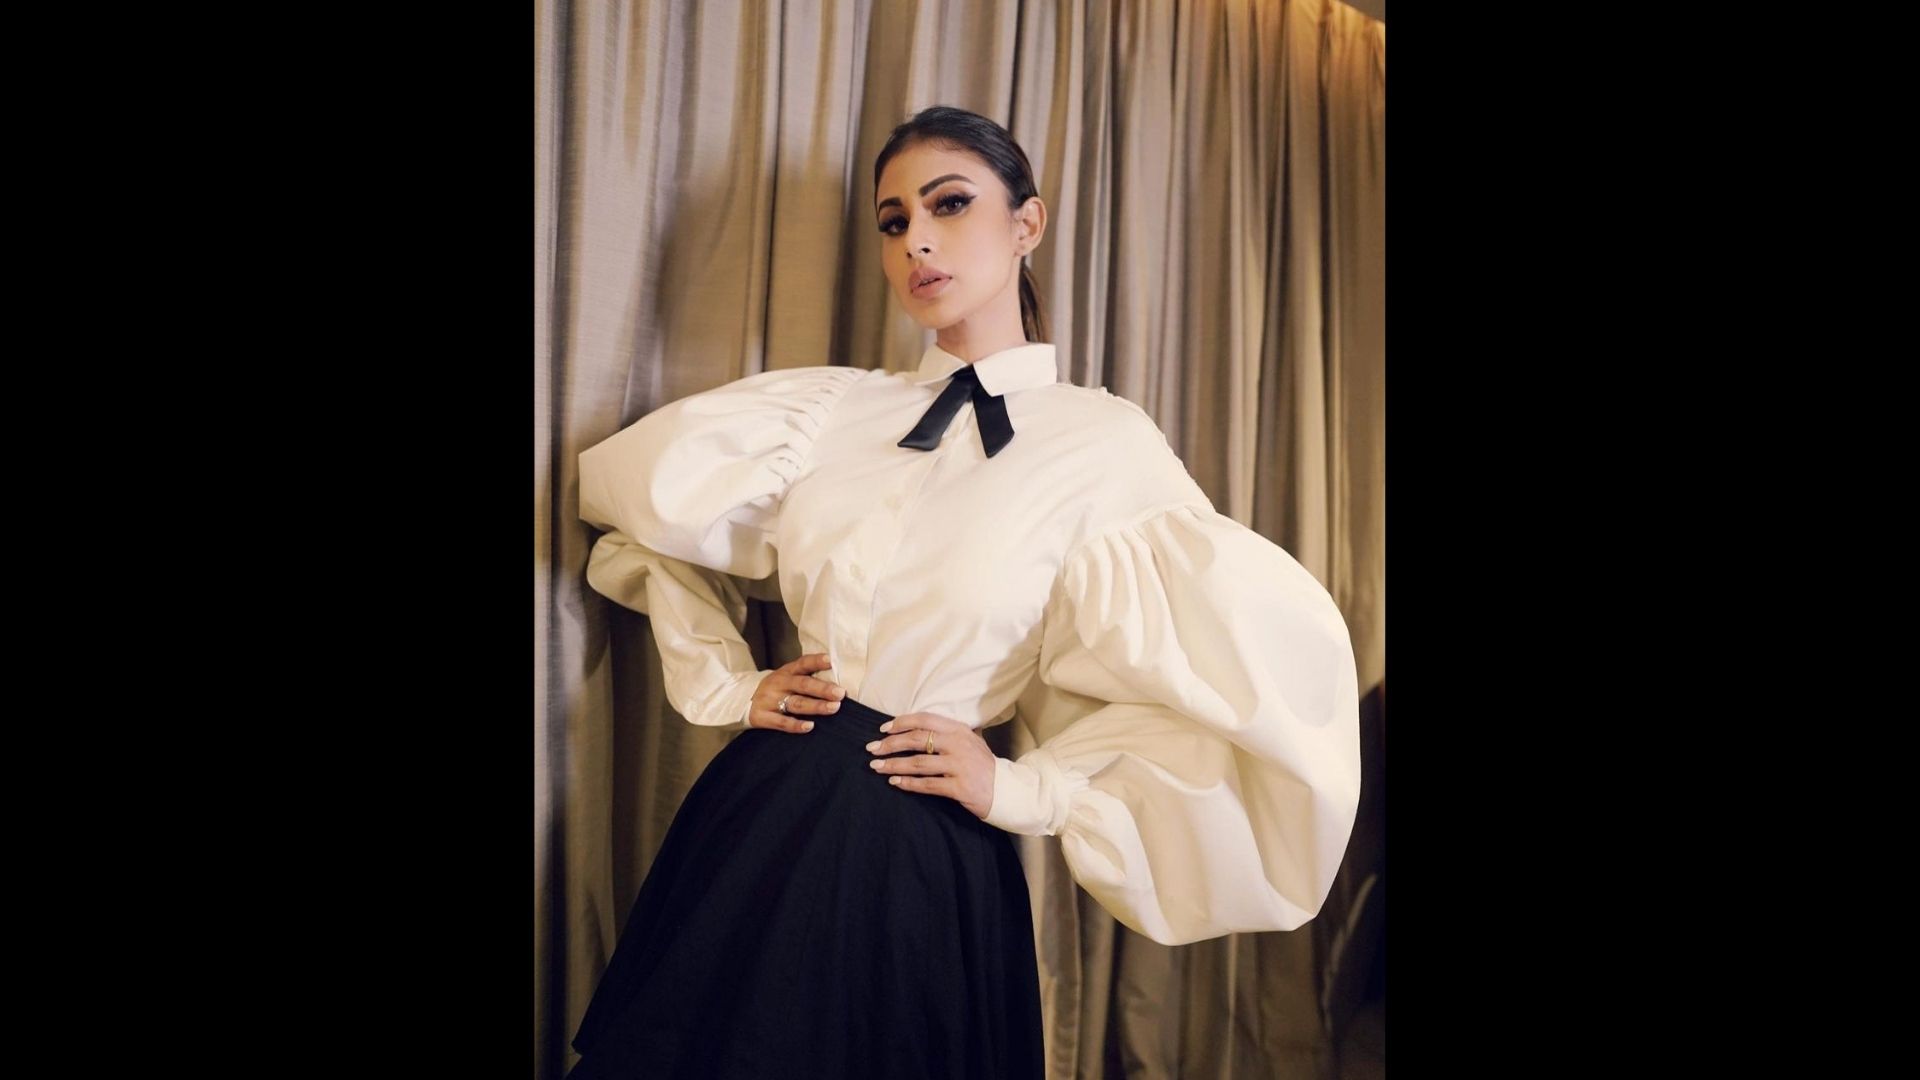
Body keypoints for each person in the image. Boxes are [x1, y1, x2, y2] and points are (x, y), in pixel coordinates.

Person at [565, 105, 1361, 1080]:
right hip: (764, 815)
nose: (917, 241)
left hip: (924, 850)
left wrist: (1023, 788)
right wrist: (731, 683)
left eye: (949, 204)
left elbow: (1216, 689)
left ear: (1027, 223)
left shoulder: (1104, 448)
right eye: (893, 220)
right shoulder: (830, 414)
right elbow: (633, 510)